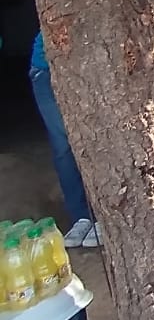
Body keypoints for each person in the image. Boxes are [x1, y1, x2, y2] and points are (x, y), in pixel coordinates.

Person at [29, 32, 99, 248]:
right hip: (46, 68)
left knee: (98, 141)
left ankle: (105, 217)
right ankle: (81, 217)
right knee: (63, 147)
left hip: (91, 66)